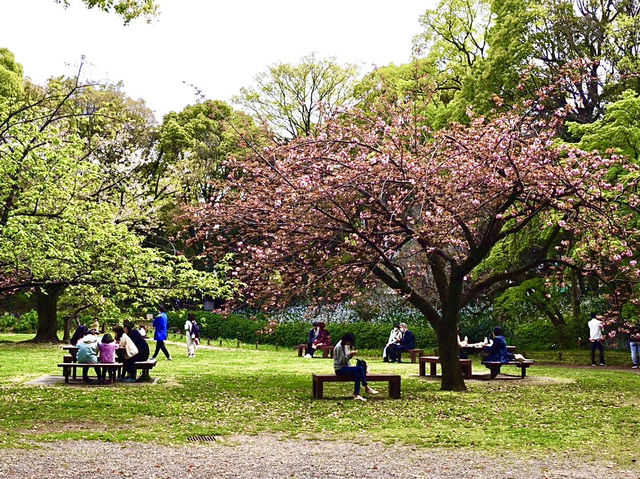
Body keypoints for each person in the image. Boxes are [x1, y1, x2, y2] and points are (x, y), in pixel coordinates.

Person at [333, 332, 378, 401]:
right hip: (340, 369)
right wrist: (349, 355)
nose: (350, 344)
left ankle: (356, 394)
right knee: (359, 369)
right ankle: (367, 387)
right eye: (350, 342)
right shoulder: (339, 347)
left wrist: (350, 355)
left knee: (357, 374)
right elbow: (340, 362)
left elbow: (346, 359)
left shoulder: (345, 345)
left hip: (346, 367)